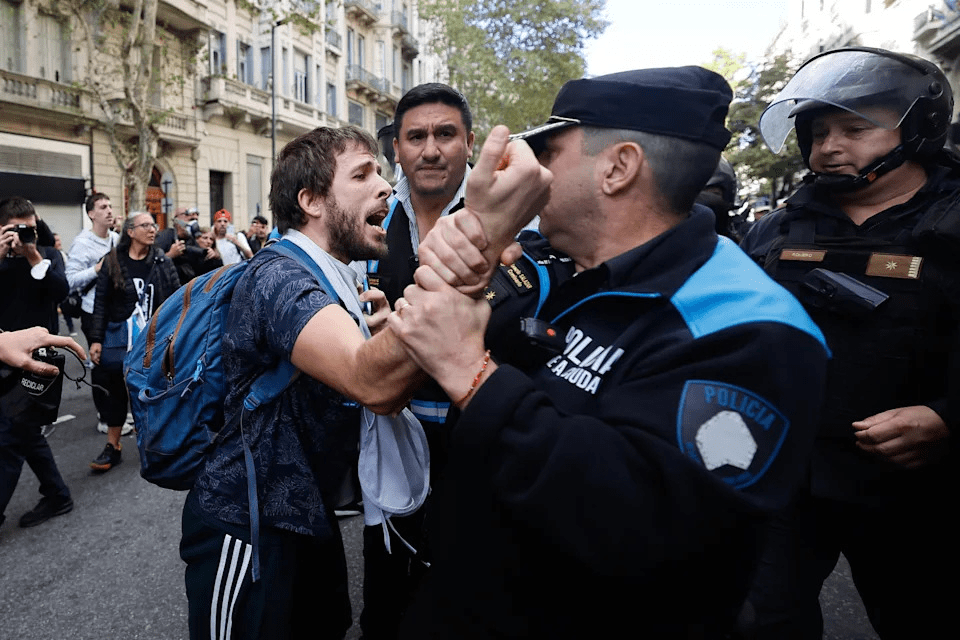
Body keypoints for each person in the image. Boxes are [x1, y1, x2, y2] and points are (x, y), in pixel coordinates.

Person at [386, 67, 832, 638]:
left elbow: (641, 523)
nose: (532, 170)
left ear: (619, 168)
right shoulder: (579, 274)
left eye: (549, 150)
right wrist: (474, 246)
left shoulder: (752, 327)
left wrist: (470, 373)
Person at [740, 47, 960, 639]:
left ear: (916, 126)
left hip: (918, 489)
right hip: (791, 475)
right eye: (817, 133)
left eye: (854, 129)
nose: (829, 148)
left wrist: (947, 418)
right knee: (763, 619)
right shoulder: (777, 228)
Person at [358, 82, 475, 640]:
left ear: (469, 143)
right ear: (397, 148)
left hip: (477, 444)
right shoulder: (371, 220)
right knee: (387, 599)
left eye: (445, 134)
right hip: (391, 442)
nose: (431, 149)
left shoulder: (508, 217)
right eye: (417, 136)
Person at [0, 197, 73, 530]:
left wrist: (33, 256)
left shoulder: (48, 254)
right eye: (14, 229)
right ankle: (58, 495)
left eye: (27, 227)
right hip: (3, 357)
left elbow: (61, 292)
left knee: (11, 438)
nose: (21, 234)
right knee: (26, 433)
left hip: (39, 359)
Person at [87, 213, 179, 472]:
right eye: (146, 225)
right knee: (115, 392)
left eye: (154, 225)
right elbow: (100, 303)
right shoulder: (113, 261)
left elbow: (176, 301)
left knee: (152, 391)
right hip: (119, 339)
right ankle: (112, 446)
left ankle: (154, 443)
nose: (152, 230)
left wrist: (175, 339)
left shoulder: (162, 261)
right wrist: (95, 339)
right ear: (130, 231)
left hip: (155, 340)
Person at [65, 193, 123, 435]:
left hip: (117, 311)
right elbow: (69, 281)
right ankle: (104, 415)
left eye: (110, 206)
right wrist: (96, 269)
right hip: (91, 312)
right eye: (103, 207)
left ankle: (117, 414)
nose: (109, 211)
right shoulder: (82, 243)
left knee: (118, 364)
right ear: (91, 214)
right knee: (100, 365)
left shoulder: (117, 239)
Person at [156, 206, 214, 284]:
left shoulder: (192, 240)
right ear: (176, 219)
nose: (192, 217)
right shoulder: (165, 236)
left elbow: (202, 270)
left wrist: (212, 255)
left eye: (194, 218)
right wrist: (170, 255)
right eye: (187, 214)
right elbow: (152, 264)